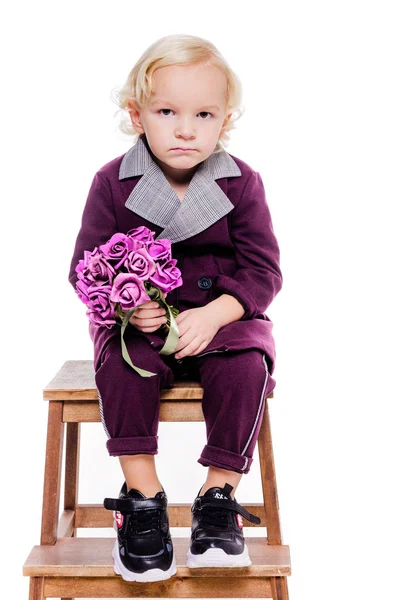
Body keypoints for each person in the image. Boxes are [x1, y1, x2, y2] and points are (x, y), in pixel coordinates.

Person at [68, 33, 283, 583]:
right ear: (137, 116)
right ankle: (142, 498)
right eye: (167, 111)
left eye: (204, 114)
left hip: (221, 319)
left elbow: (263, 269)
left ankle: (218, 499)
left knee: (246, 366)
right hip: (143, 322)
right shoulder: (112, 182)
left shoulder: (241, 182)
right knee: (120, 365)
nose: (186, 129)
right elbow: (85, 265)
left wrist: (219, 312)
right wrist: (130, 304)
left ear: (224, 121)